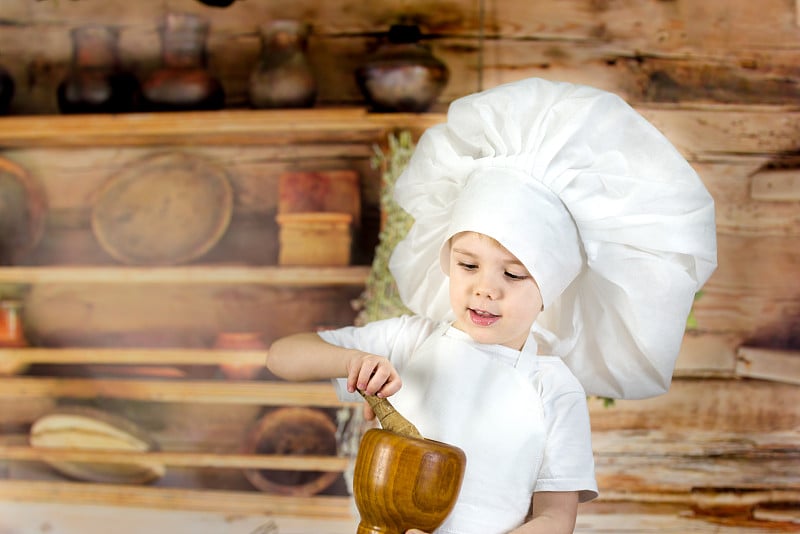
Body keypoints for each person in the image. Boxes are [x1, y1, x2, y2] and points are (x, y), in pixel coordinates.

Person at [266, 77, 717, 533]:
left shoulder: (554, 389)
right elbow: (282, 355)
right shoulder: (408, 341)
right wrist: (352, 360)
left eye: (514, 274)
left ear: (552, 286)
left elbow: (555, 519)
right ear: (446, 259)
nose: (485, 289)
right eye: (468, 265)